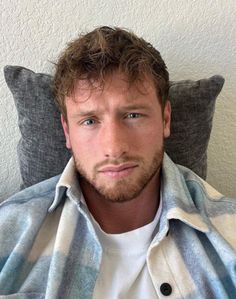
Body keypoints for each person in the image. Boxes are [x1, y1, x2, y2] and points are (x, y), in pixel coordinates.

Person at [0, 26, 235, 299]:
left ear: (166, 119)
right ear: (67, 131)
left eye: (133, 115)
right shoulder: (9, 232)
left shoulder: (229, 234)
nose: (114, 148)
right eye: (89, 121)